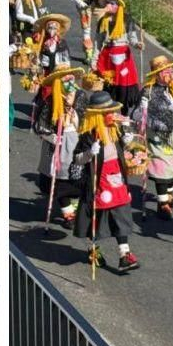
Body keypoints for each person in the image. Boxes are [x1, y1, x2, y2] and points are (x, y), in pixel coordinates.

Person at [73, 90, 141, 273]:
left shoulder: (115, 130)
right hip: (97, 180)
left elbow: (123, 149)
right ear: (98, 116)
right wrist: (89, 153)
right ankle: (92, 250)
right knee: (94, 219)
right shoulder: (88, 135)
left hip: (117, 178)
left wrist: (128, 138)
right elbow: (77, 158)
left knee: (121, 213)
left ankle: (124, 255)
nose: (112, 115)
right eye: (108, 112)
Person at [137, 55, 173, 220]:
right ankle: (163, 204)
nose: (169, 72)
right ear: (157, 74)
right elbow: (137, 115)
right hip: (159, 136)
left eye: (170, 69)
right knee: (162, 169)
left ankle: (168, 194)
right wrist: (143, 110)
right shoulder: (148, 91)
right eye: (165, 70)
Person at [32, 61, 82, 224]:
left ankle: (74, 205)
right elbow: (39, 125)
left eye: (71, 79)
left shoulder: (81, 97)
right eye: (65, 80)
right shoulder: (50, 101)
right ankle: (68, 212)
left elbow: (88, 118)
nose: (69, 83)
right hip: (57, 145)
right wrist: (52, 137)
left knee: (77, 176)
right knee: (60, 178)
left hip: (76, 141)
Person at [93, 25, 140, 114]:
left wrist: (137, 44)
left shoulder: (127, 20)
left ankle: (125, 117)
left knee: (125, 87)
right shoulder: (103, 21)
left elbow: (132, 39)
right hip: (108, 59)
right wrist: (94, 60)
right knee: (109, 86)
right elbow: (98, 43)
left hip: (124, 57)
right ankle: (109, 116)